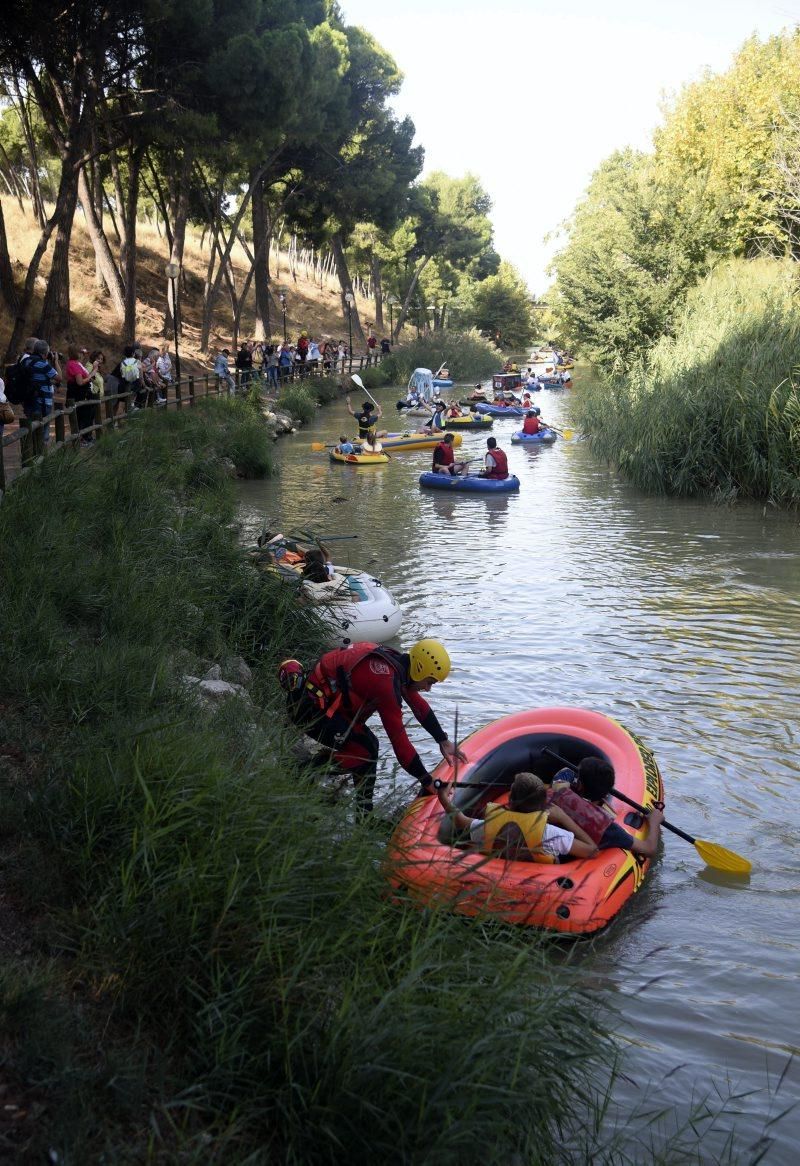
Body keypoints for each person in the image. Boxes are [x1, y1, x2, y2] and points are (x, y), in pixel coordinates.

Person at [282, 639, 466, 815]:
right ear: (419, 669)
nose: (428, 688)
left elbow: (419, 706)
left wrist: (442, 740)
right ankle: (305, 771)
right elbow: (399, 743)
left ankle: (363, 813)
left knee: (369, 746)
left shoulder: (397, 664)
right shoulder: (385, 681)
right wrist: (427, 780)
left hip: (319, 706)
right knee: (364, 751)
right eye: (430, 682)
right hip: (307, 711)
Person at [435, 772, 598, 862]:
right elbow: (592, 851)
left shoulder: (488, 824)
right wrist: (564, 818)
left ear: (510, 801)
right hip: (540, 877)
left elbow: (460, 820)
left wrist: (444, 799)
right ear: (543, 807)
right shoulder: (550, 834)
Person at [547, 757, 665, 858]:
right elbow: (649, 849)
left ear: (580, 785)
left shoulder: (562, 794)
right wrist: (654, 822)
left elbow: (563, 778)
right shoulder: (608, 828)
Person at [64, 345, 101, 443]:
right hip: (79, 394)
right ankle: (82, 439)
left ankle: (86, 437)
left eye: (84, 353)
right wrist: (92, 374)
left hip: (84, 393)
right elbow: (80, 382)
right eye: (82, 353)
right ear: (76, 353)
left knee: (88, 415)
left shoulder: (78, 363)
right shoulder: (74, 364)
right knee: (82, 416)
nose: (83, 355)